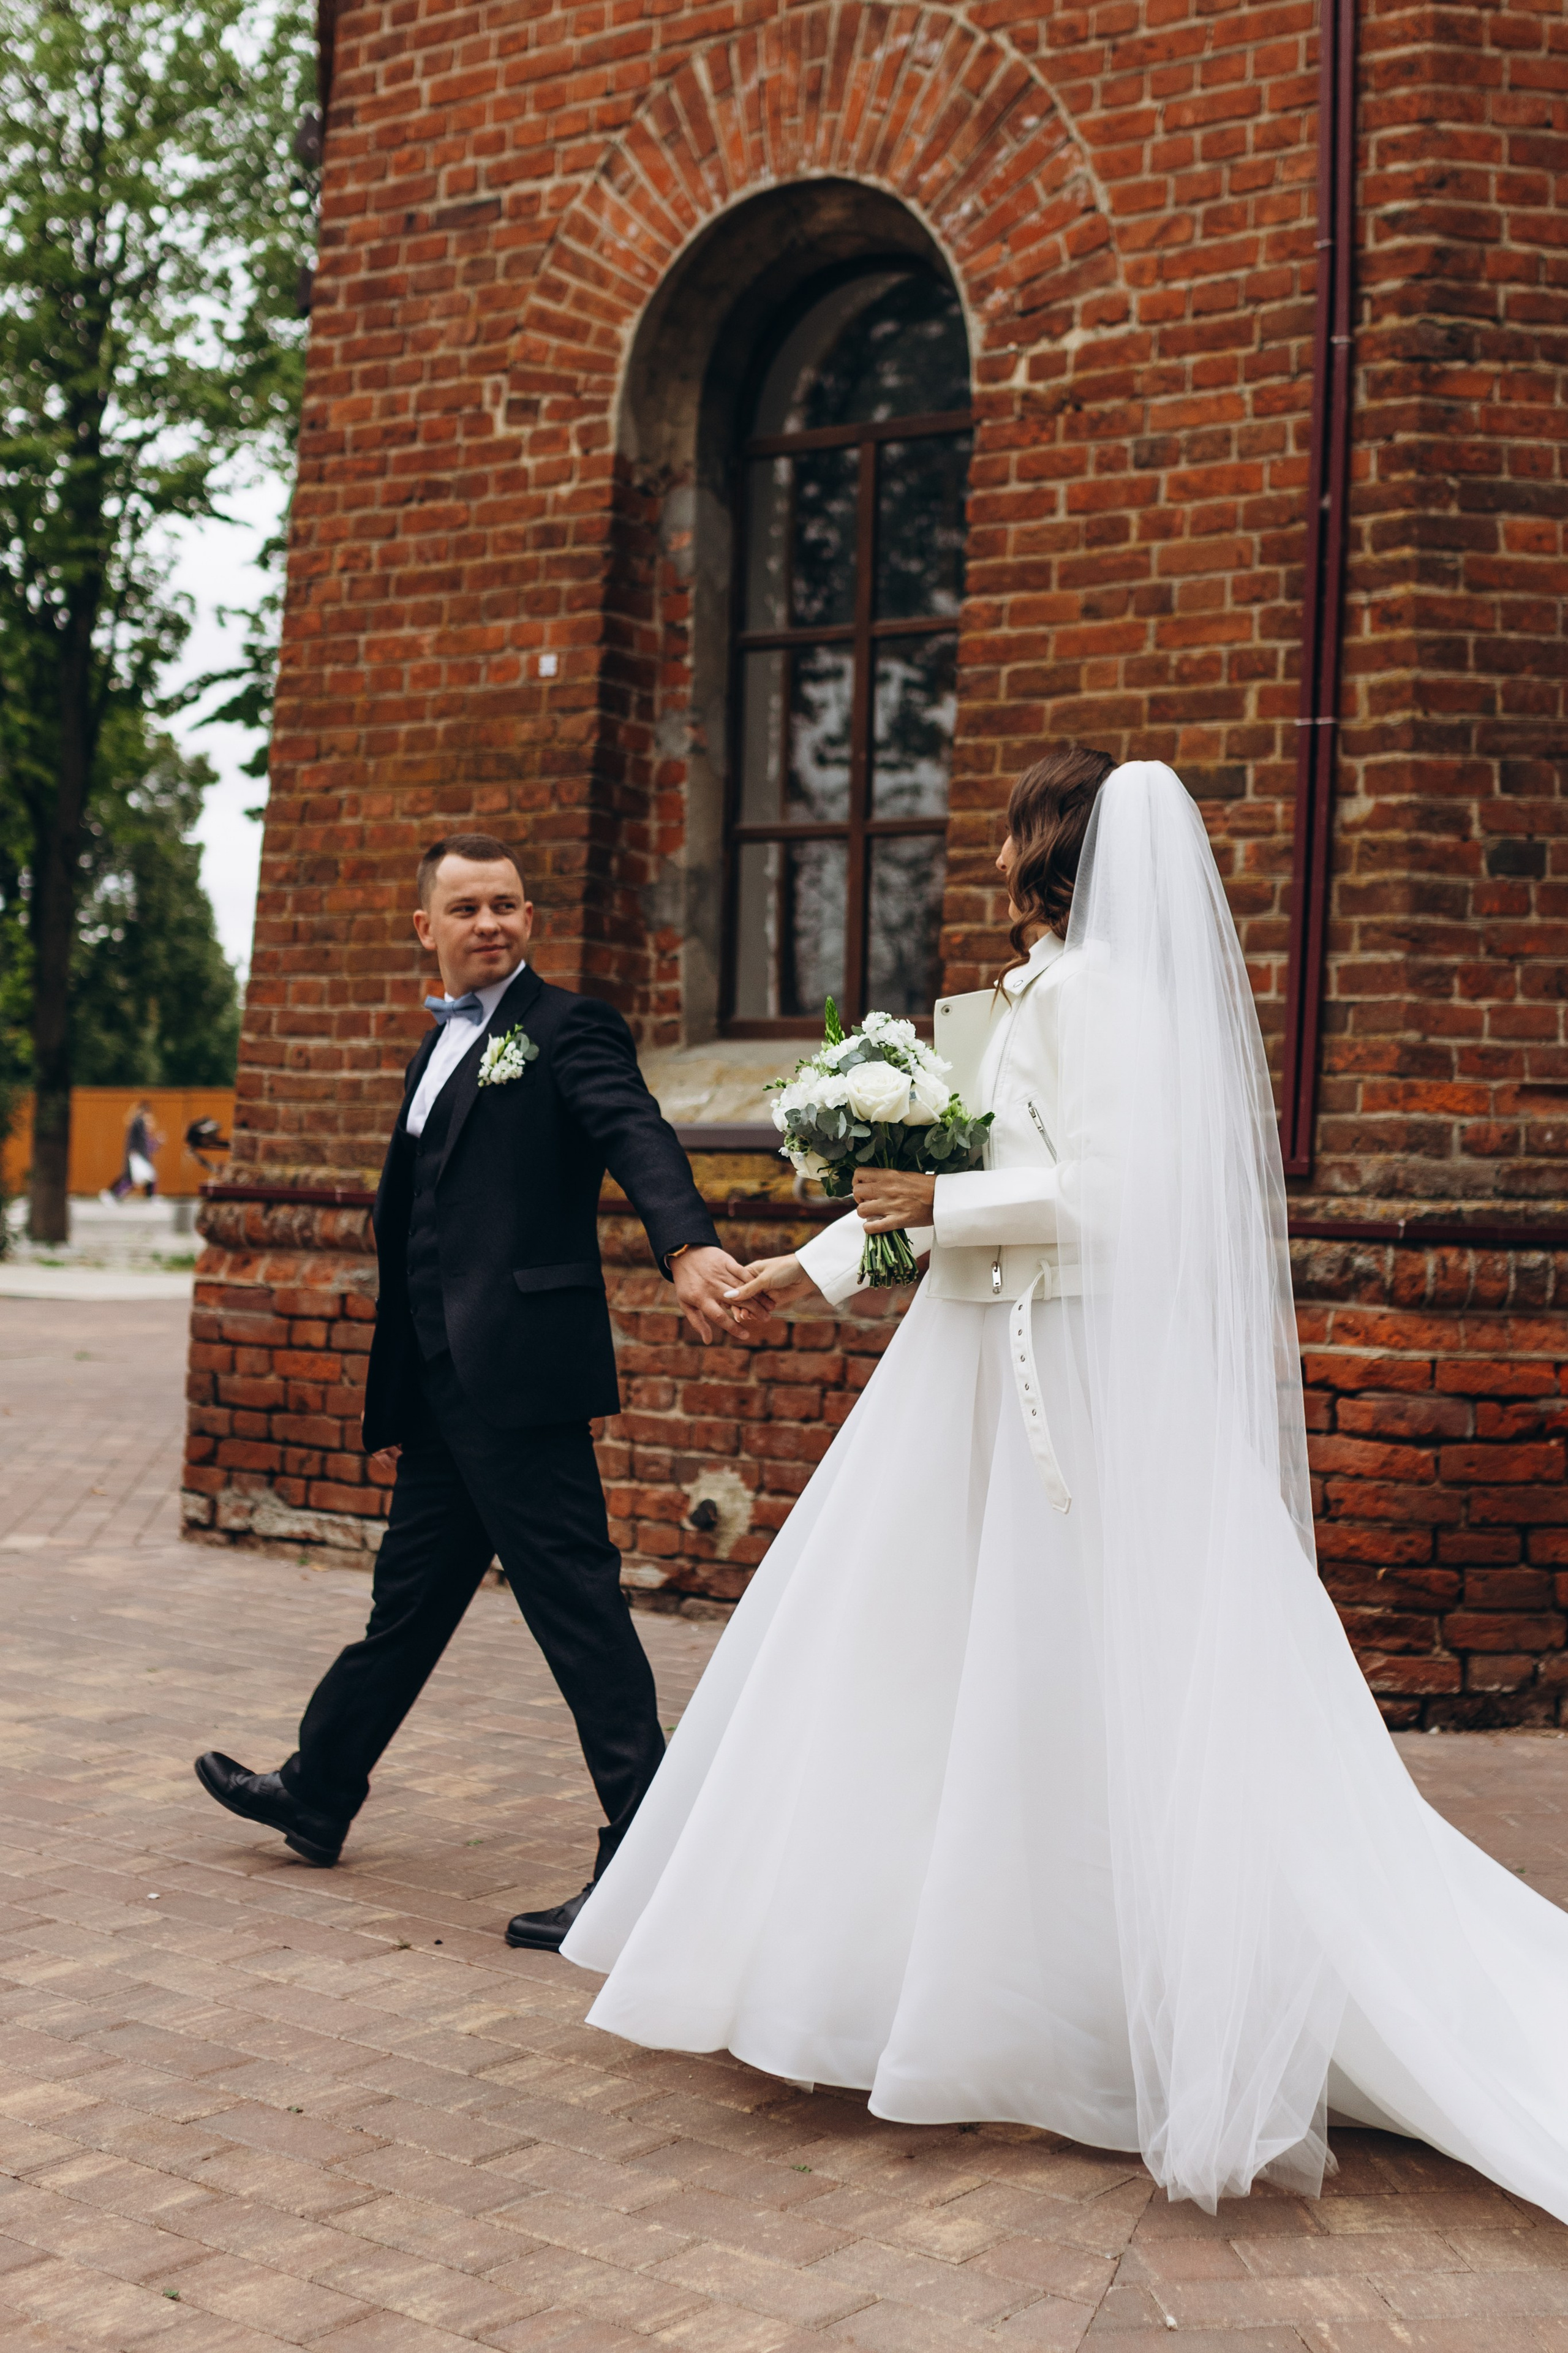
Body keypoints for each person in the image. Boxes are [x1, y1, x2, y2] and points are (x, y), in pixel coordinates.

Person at [564, 752, 1568, 2224]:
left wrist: (940, 1203)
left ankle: (1080, 1998)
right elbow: (947, 1179)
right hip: (962, 1362)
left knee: (1066, 1666)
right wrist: (816, 1261)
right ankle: (924, 1970)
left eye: (1007, 834)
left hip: (1071, 1377)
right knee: (927, 1663)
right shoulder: (1014, 1000)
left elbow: (1122, 1191)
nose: (987, 855)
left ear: (1048, 851)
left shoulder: (1100, 1001)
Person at [195, 833, 754, 1950]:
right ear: (427, 928)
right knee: (408, 1601)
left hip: (520, 1371)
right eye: (467, 908)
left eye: (507, 904)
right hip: (444, 1379)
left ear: (530, 919)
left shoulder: (567, 1027)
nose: (490, 924)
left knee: (576, 1608)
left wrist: (685, 1243)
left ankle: (644, 1853)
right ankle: (319, 1788)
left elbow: (632, 1129)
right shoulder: (440, 1042)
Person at [102, 1100, 162, 1202]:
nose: (150, 1123)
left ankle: (113, 1195)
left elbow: (149, 1147)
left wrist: (157, 1142)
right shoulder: (138, 1123)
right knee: (139, 1179)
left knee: (140, 1178)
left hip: (138, 1157)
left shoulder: (139, 1127)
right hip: (137, 1157)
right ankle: (114, 1195)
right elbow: (142, 1145)